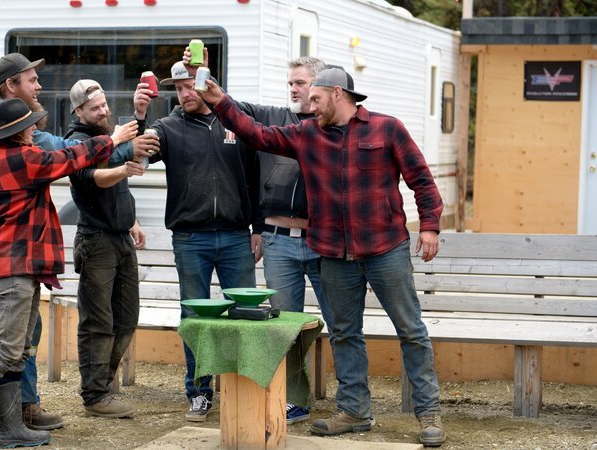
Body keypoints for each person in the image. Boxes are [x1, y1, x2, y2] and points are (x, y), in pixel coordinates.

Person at [201, 68, 446, 447]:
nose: (308, 106)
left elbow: (422, 180)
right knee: (345, 334)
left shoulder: (387, 128)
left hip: (385, 249)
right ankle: (354, 412)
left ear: (337, 94)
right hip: (333, 253)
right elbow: (257, 134)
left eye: (315, 99)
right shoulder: (307, 134)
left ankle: (428, 413)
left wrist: (429, 225)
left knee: (411, 331)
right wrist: (220, 102)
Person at [0, 53, 152, 434]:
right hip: (9, 259)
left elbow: (60, 155)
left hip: (19, 259)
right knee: (1, 343)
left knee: (17, 343)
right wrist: (113, 139)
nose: (39, 88)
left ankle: (14, 423)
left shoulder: (8, 151)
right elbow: (64, 157)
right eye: (32, 80)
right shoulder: (15, 154)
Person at [182, 48, 331, 425]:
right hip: (280, 240)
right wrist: (203, 75)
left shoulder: (335, 126)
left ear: (322, 86)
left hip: (325, 241)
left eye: (301, 82)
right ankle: (294, 400)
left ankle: (351, 402)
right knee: (284, 328)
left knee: (341, 325)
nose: (294, 89)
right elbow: (230, 106)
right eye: (291, 83)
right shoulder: (274, 117)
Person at [133, 61, 261, 423]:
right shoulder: (168, 127)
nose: (185, 94)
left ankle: (242, 388)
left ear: (208, 86)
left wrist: (258, 227)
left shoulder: (234, 121)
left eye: (191, 86)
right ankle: (199, 392)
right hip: (190, 238)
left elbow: (254, 177)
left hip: (237, 236)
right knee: (194, 316)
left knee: (244, 315)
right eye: (179, 88)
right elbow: (139, 155)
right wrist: (140, 115)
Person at [65, 79, 154, 418]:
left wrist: (140, 113)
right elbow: (93, 176)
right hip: (96, 240)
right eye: (94, 108)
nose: (102, 111)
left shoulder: (111, 137)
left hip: (120, 237)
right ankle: (95, 395)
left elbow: (133, 150)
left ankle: (100, 381)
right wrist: (124, 160)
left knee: (127, 317)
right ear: (78, 112)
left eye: (103, 104)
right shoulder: (77, 142)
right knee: (98, 321)